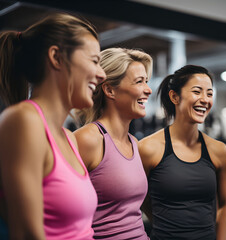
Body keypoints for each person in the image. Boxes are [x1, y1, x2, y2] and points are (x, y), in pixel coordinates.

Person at [0, 13, 106, 239]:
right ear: (57, 57)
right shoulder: (23, 121)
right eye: (94, 61)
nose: (102, 74)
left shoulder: (68, 137)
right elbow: (27, 234)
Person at [139, 65, 226, 240]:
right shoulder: (148, 148)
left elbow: (225, 205)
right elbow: (141, 199)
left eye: (210, 94)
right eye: (197, 92)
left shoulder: (219, 151)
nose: (205, 99)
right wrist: (162, 223)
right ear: (175, 96)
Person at [74, 47, 153, 240]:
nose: (148, 90)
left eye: (147, 81)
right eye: (139, 81)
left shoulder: (134, 142)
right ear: (110, 89)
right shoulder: (88, 139)